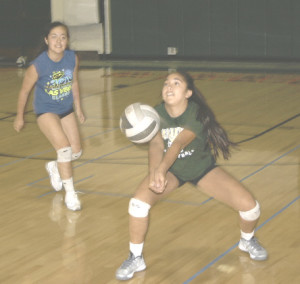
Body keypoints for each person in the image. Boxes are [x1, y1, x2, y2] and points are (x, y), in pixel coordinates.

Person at [115, 71, 268, 281]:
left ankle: (247, 240)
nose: (169, 86)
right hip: (173, 172)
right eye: (166, 83)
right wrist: (155, 173)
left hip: (201, 169)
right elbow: (157, 144)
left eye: (176, 83)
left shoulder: (196, 113)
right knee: (138, 204)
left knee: (251, 208)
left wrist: (161, 169)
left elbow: (177, 143)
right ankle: (135, 257)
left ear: (188, 93)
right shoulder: (155, 114)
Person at [14, 21, 85, 211]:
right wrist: (20, 116)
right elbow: (24, 92)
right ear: (46, 40)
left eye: (63, 37)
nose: (59, 41)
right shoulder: (38, 65)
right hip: (46, 111)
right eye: (54, 36)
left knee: (76, 152)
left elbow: (74, 83)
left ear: (67, 40)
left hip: (66, 109)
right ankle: (70, 194)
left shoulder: (72, 58)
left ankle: (54, 166)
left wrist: (78, 108)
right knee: (64, 149)